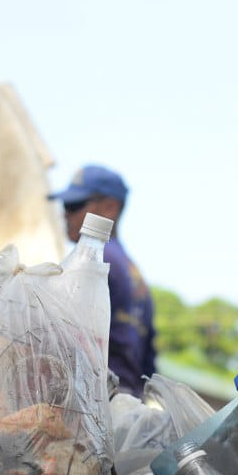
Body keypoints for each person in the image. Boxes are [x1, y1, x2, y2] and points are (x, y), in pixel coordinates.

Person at [48, 164, 157, 397]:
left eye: (74, 205)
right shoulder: (134, 274)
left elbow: (57, 338)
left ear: (109, 207)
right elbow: (149, 363)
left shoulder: (95, 262)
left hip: (94, 399)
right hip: (126, 401)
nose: (65, 213)